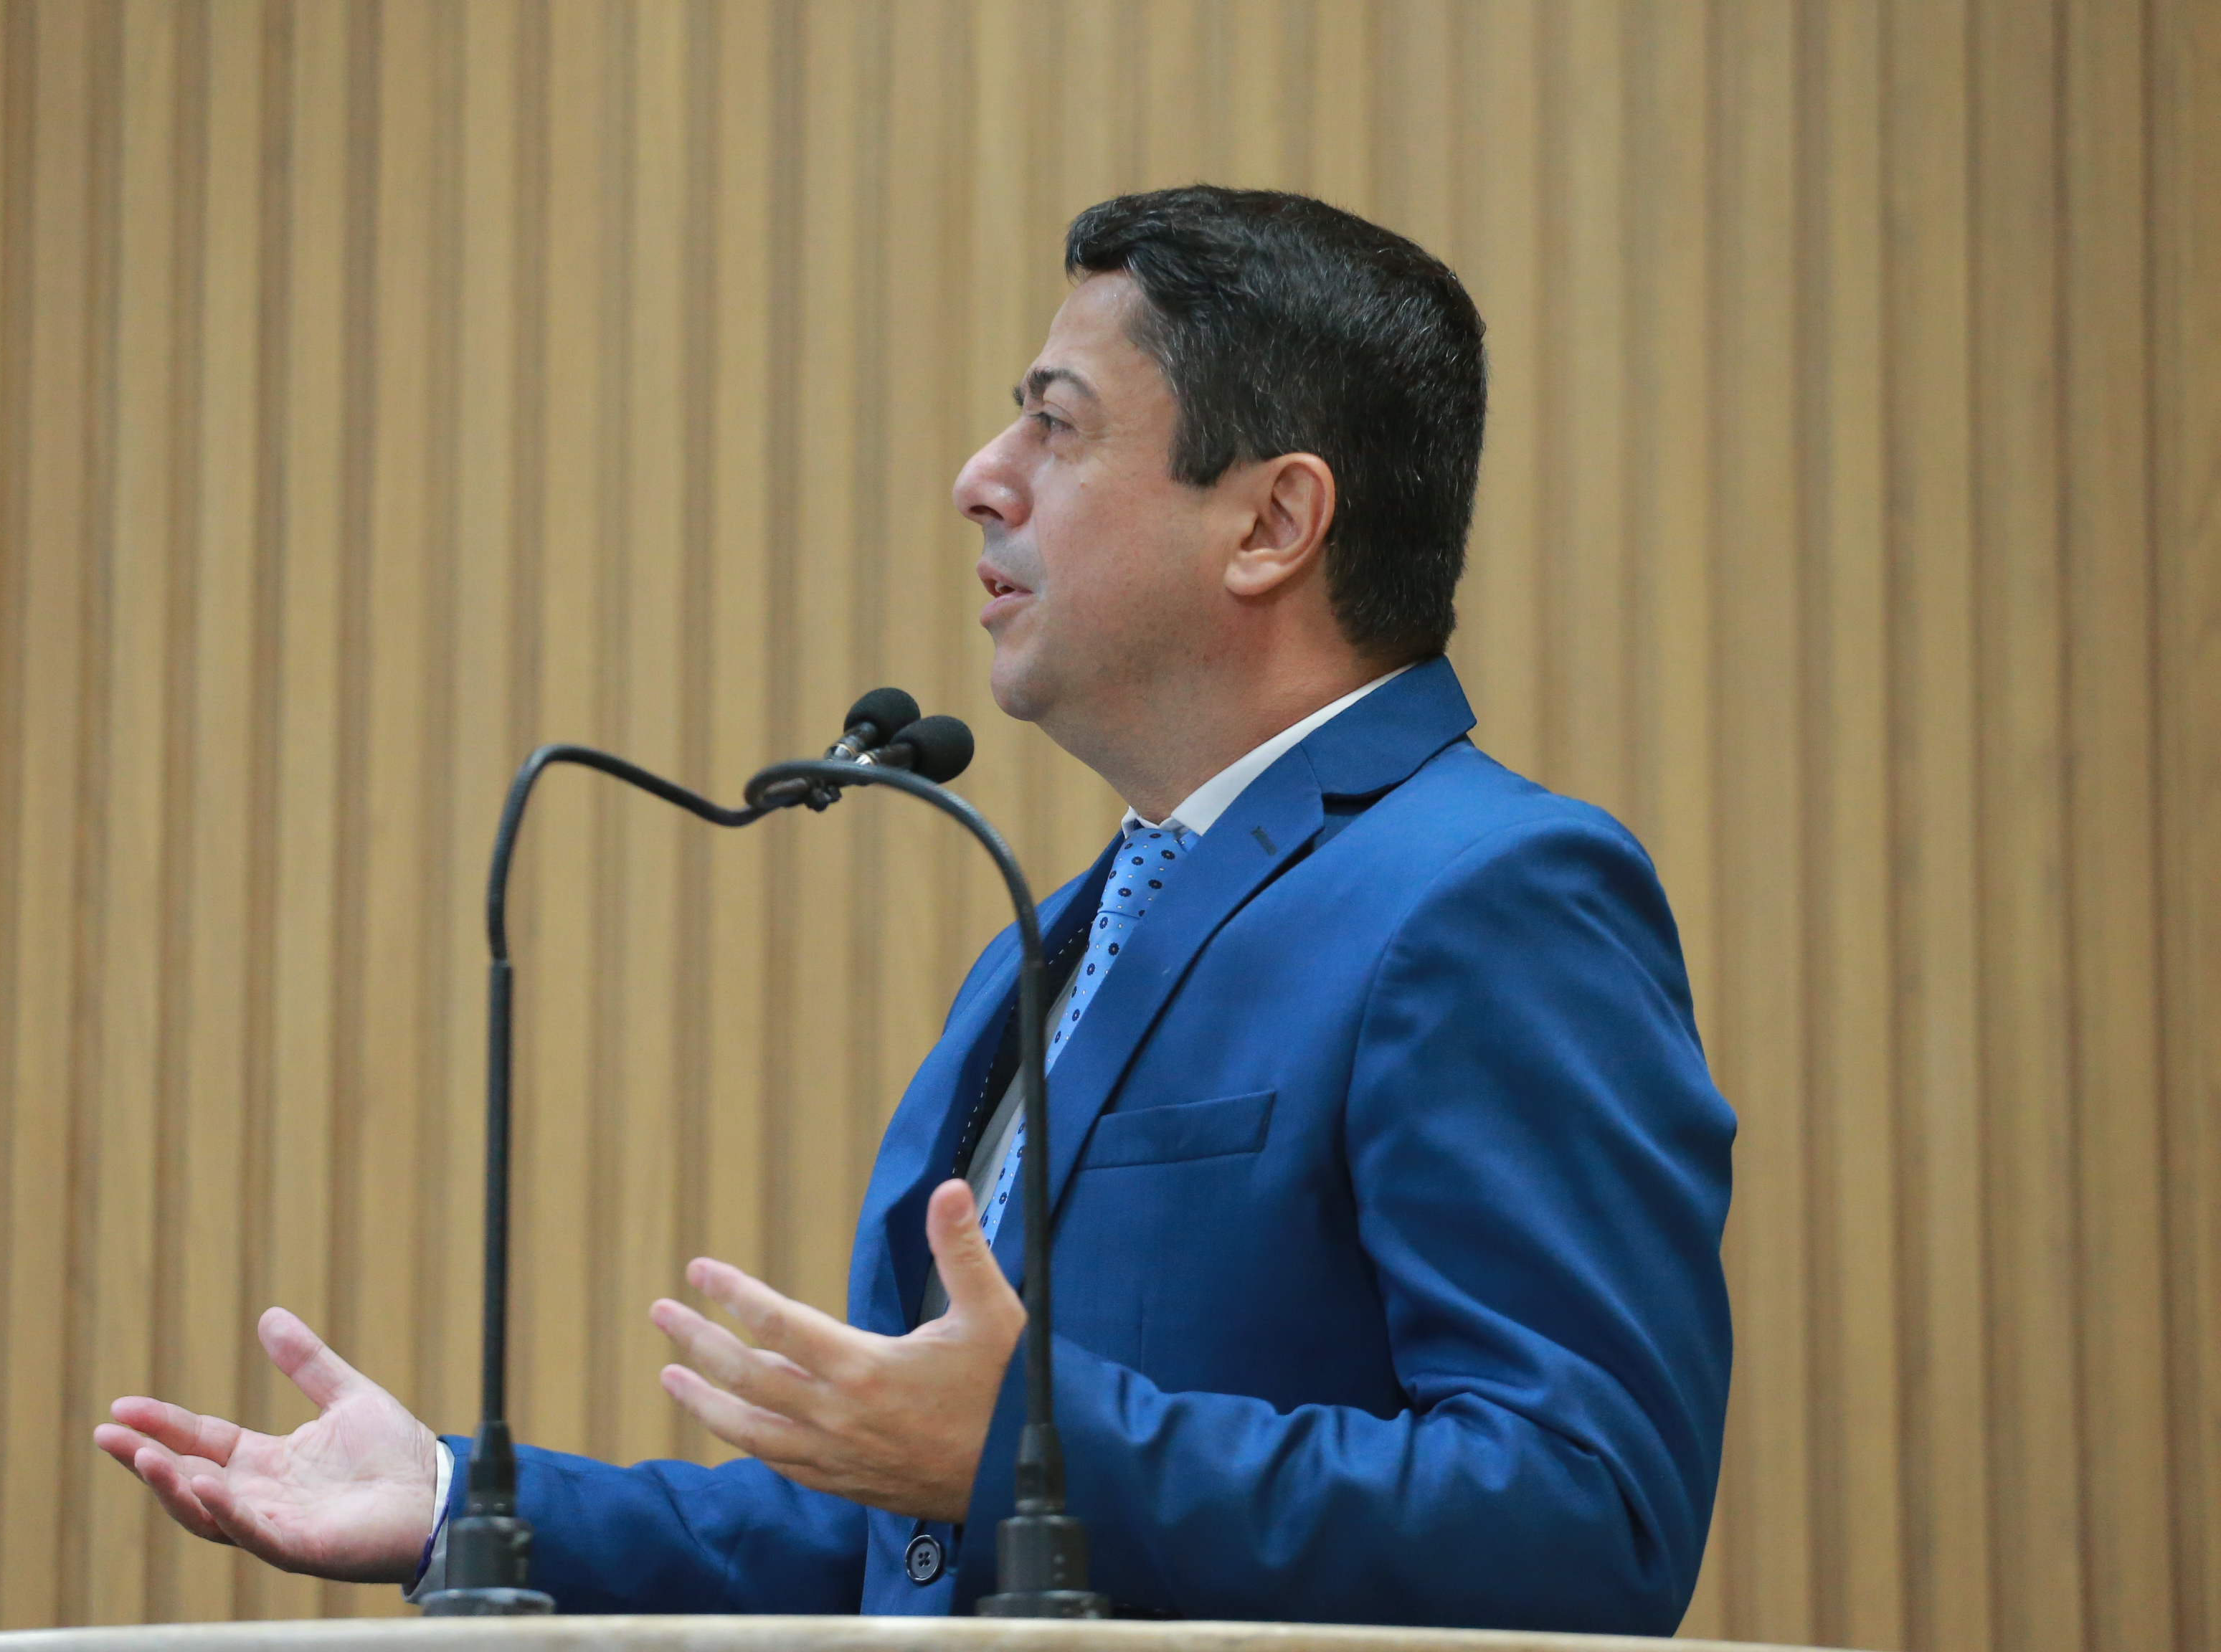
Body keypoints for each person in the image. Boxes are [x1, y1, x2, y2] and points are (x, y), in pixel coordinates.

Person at [95, 186, 1733, 1632]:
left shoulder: (1493, 895)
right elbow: (902, 1543)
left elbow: (1589, 1515)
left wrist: (1028, 1442)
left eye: (1058, 428)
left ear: (1272, 524)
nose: (979, 479)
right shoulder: (1059, 931)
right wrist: (463, 1504)